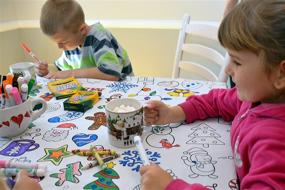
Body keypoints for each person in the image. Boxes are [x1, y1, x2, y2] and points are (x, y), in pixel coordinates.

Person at [140, 0, 285, 189]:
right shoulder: (257, 98)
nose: (228, 69)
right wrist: (173, 113)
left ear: (280, 74)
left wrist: (171, 187)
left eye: (237, 62)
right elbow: (217, 101)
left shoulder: (275, 141)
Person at [36, 0, 133, 81]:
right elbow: (59, 69)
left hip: (124, 90)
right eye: (57, 42)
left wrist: (70, 73)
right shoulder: (72, 44)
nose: (60, 47)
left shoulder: (99, 37)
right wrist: (46, 70)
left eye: (63, 42)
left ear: (82, 30)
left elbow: (111, 74)